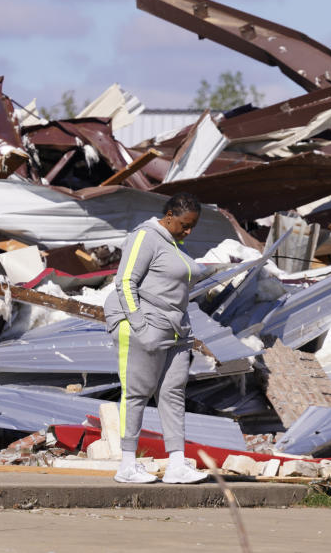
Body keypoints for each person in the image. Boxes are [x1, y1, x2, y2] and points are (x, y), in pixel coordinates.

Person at [103, 192, 208, 484]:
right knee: (136, 393)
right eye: (185, 225)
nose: (188, 231)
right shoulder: (145, 237)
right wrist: (141, 326)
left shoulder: (173, 245)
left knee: (173, 395)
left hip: (175, 330)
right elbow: (125, 281)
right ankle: (126, 464)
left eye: (193, 227)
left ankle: (176, 464)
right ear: (170, 216)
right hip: (146, 326)